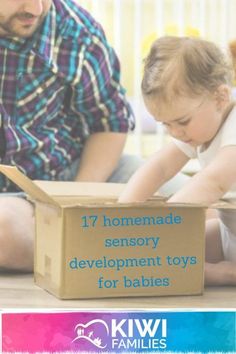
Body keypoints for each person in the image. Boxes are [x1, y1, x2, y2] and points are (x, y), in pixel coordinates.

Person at [0, 1, 189, 272]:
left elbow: (109, 123)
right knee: (4, 230)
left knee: (202, 207)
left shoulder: (78, 33)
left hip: (73, 171)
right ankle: (103, 253)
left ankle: (84, 249)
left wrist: (76, 204)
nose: (36, 9)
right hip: (10, 201)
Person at [119, 36, 236, 286]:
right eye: (166, 125)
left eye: (182, 122)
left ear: (220, 98)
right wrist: (121, 217)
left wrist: (165, 226)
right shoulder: (200, 127)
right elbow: (158, 167)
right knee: (156, 257)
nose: (175, 132)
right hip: (230, 236)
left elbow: (213, 182)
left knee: (170, 255)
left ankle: (223, 275)